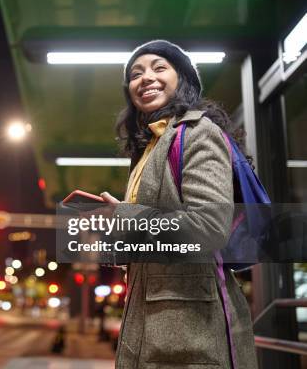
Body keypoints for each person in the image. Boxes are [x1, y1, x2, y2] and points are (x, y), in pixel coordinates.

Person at [100, 40, 257, 368]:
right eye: (136, 73)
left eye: (159, 68)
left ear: (182, 78)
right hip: (150, 326)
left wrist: (129, 217)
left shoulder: (198, 133)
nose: (145, 78)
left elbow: (209, 227)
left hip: (193, 333)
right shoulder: (149, 149)